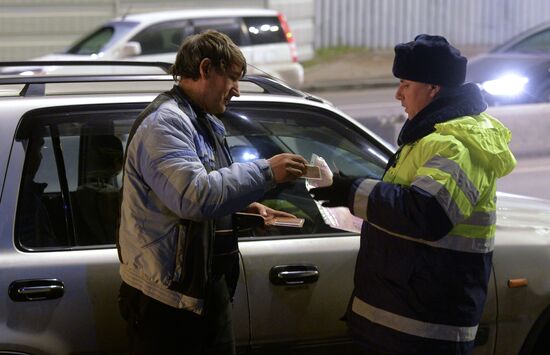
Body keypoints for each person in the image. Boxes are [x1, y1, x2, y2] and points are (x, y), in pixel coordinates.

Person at [311, 34, 516, 355]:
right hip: (400, 320)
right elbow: (401, 207)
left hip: (425, 331)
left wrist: (353, 191)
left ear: (433, 88)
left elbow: (427, 213)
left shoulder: (456, 144)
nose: (397, 94)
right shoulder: (426, 139)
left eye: (405, 84)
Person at [117, 30, 307, 355]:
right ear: (206, 69)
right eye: (233, 78)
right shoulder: (165, 124)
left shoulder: (202, 121)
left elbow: (202, 194)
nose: (237, 91)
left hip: (202, 292)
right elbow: (194, 197)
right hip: (168, 301)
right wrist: (266, 171)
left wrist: (244, 211)